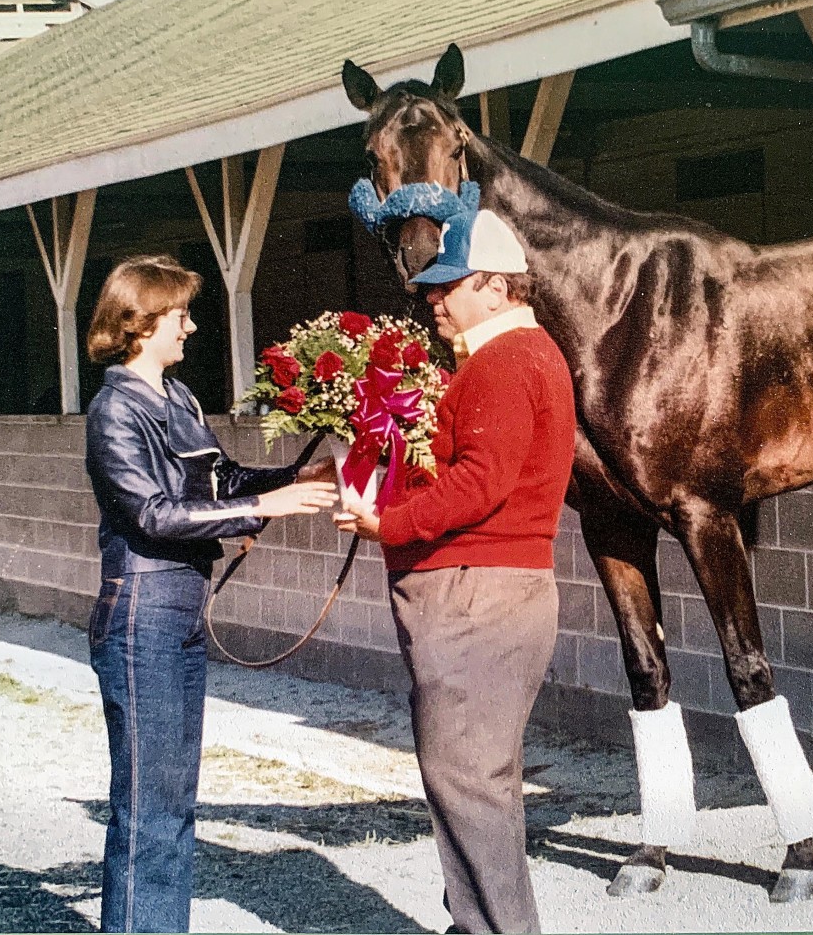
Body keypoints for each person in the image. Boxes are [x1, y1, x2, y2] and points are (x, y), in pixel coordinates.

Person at [336, 210, 576, 934]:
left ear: (497, 287)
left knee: (469, 782)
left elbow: (480, 483)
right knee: (478, 779)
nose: (433, 299)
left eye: (449, 286)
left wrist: (389, 524)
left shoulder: (504, 362)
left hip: (476, 594)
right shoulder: (517, 356)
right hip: (492, 590)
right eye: (431, 288)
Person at [83, 254, 337, 933]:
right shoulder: (114, 410)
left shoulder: (178, 398)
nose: (190, 327)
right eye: (180, 315)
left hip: (182, 607)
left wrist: (293, 478)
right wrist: (262, 508)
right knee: (148, 805)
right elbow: (152, 515)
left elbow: (221, 480)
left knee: (174, 799)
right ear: (140, 322)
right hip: (141, 612)